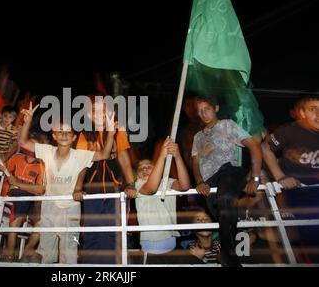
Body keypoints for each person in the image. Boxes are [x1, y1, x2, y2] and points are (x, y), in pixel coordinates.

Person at [18, 103, 117, 264]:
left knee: (68, 252)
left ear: (74, 137)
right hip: (49, 206)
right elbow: (23, 142)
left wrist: (111, 133)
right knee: (46, 250)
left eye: (68, 132)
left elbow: (105, 154)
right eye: (60, 132)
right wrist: (26, 121)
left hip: (70, 208)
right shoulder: (46, 151)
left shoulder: (80, 155)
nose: (64, 135)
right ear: (54, 136)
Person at [192, 95, 262, 267]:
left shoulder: (227, 125)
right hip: (210, 180)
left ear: (215, 108)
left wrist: (255, 177)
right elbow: (195, 163)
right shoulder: (197, 137)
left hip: (229, 170)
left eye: (206, 108)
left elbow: (254, 146)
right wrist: (200, 181)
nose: (203, 113)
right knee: (223, 213)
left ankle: (227, 253)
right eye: (199, 110)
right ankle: (232, 255)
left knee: (225, 200)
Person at [74, 96, 136, 264]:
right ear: (89, 114)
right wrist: (78, 187)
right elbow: (82, 164)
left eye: (103, 109)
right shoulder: (85, 133)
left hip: (115, 189)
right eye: (95, 110)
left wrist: (130, 183)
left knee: (113, 230)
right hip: (92, 190)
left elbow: (123, 157)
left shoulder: (118, 129)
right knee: (92, 231)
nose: (99, 113)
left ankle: (113, 267)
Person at [262, 95, 319, 262]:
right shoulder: (289, 130)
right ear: (301, 113)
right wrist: (281, 176)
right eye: (312, 109)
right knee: (307, 234)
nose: (318, 113)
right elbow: (265, 149)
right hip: (297, 191)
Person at [134, 137, 190, 264]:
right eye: (141, 168)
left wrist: (177, 156)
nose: (144, 169)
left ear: (156, 169)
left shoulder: (166, 181)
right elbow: (152, 188)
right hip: (150, 244)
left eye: (148, 166)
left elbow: (185, 185)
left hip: (170, 240)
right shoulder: (138, 185)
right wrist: (162, 156)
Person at [0, 147, 45, 262]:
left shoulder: (41, 165)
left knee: (43, 219)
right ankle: (10, 250)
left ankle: (26, 251)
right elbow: (7, 178)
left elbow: (40, 189)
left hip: (31, 197)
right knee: (21, 204)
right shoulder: (16, 158)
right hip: (14, 195)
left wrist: (18, 183)